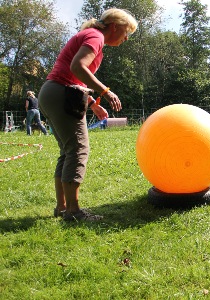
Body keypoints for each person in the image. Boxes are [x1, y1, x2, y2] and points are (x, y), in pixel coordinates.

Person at [38, 8, 138, 221]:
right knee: (78, 149)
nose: (126, 38)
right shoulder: (95, 36)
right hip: (61, 93)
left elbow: (75, 77)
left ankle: (62, 207)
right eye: (126, 31)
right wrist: (106, 91)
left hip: (52, 93)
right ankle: (73, 212)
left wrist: (92, 103)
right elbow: (78, 67)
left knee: (67, 151)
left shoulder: (91, 36)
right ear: (115, 26)